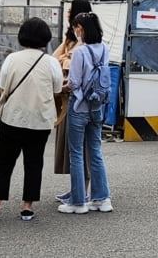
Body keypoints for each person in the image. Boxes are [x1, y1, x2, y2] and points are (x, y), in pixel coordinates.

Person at [0, 17, 63, 223]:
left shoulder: (11, 59)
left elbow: (3, 84)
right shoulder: (51, 62)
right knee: (34, 163)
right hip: (40, 120)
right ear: (45, 38)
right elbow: (57, 89)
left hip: (12, 118)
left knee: (4, 163)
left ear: (22, 36)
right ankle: (27, 208)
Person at [58, 12, 113, 214]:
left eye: (76, 27)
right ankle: (101, 198)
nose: (74, 31)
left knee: (77, 154)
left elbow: (74, 82)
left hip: (79, 107)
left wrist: (63, 86)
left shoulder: (80, 52)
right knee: (96, 152)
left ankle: (78, 201)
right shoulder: (105, 48)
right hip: (97, 106)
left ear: (81, 28)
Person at [52, 0, 92, 203]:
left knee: (81, 148)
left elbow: (68, 63)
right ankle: (76, 188)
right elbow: (55, 58)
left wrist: (64, 61)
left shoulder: (87, 41)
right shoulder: (70, 39)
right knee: (71, 148)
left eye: (70, 11)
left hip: (79, 101)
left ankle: (82, 191)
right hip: (68, 100)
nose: (67, 14)